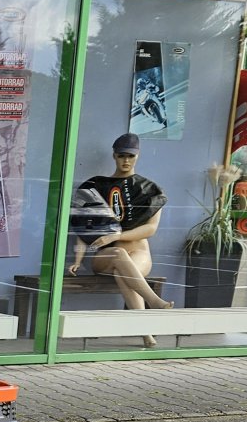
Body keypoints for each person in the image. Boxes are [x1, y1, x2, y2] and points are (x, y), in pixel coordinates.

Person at [68, 132, 173, 346]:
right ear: (114, 156)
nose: (126, 161)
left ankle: (146, 333)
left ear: (138, 157)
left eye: (131, 156)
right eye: (121, 156)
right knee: (119, 254)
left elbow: (150, 229)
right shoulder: (96, 186)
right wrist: (77, 261)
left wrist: (116, 235)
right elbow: (84, 228)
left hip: (140, 252)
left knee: (121, 272)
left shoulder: (149, 190)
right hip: (108, 254)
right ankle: (153, 301)